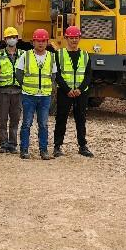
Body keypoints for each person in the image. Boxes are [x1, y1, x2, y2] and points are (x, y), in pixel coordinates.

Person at [53, 25, 94, 158]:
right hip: (65, 92)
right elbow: (57, 74)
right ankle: (57, 146)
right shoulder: (59, 54)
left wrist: (80, 89)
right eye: (71, 38)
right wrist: (67, 89)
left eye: (76, 38)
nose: (74, 40)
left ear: (79, 38)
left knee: (81, 119)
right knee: (61, 118)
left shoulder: (85, 55)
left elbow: (88, 75)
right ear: (66, 38)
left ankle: (82, 146)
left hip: (81, 93)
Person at [16, 28, 56, 160]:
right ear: (33, 42)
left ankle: (43, 150)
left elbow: (53, 75)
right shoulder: (26, 55)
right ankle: (24, 149)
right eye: (38, 41)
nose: (40, 43)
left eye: (43, 41)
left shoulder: (51, 57)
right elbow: (19, 73)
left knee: (43, 124)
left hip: (45, 96)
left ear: (47, 42)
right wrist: (26, 86)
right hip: (29, 95)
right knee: (27, 123)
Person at [0, 26, 24, 154]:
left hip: (18, 91)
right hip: (3, 90)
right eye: (9, 37)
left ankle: (12, 144)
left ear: (17, 39)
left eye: (13, 37)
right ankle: (3, 143)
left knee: (15, 119)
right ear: (5, 39)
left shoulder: (23, 54)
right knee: (2, 119)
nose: (11, 39)